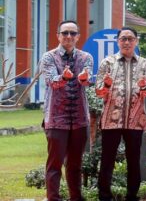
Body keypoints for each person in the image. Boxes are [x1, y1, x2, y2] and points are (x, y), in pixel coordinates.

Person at [95, 27, 146, 201]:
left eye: (130, 38)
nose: (127, 42)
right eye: (123, 39)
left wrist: (143, 86)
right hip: (111, 119)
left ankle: (132, 196)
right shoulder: (107, 63)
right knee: (107, 160)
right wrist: (106, 85)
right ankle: (104, 196)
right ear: (117, 41)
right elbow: (99, 92)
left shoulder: (145, 64)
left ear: (136, 41)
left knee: (134, 160)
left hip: (135, 120)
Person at [40, 20, 93, 201]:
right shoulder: (49, 57)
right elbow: (51, 81)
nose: (68, 36)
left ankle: (76, 198)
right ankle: (53, 198)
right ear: (58, 36)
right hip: (56, 119)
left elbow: (87, 81)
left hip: (79, 119)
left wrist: (84, 78)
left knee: (75, 164)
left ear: (78, 37)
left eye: (72, 33)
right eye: (65, 33)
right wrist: (63, 77)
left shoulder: (86, 57)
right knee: (54, 164)